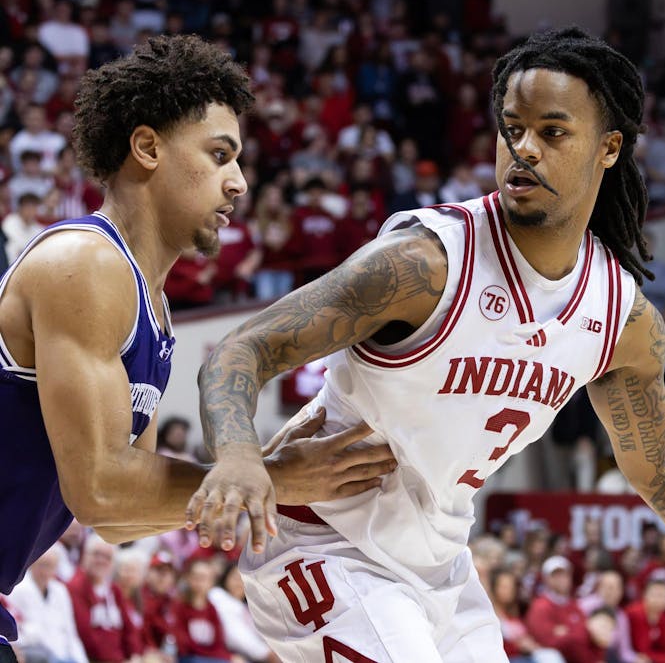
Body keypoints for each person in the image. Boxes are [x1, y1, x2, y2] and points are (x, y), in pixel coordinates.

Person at [192, 28, 665, 663]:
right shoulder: (425, 263)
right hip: (323, 542)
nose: (524, 148)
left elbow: (661, 470)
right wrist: (238, 457)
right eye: (511, 128)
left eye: (552, 132)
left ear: (608, 149)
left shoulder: (619, 317)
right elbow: (240, 349)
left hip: (441, 567)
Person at [0, 35, 394, 659]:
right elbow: (98, 488)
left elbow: (120, 519)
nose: (238, 182)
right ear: (148, 147)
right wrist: (273, 477)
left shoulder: (152, 307)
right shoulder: (85, 264)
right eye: (219, 155)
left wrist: (253, 472)